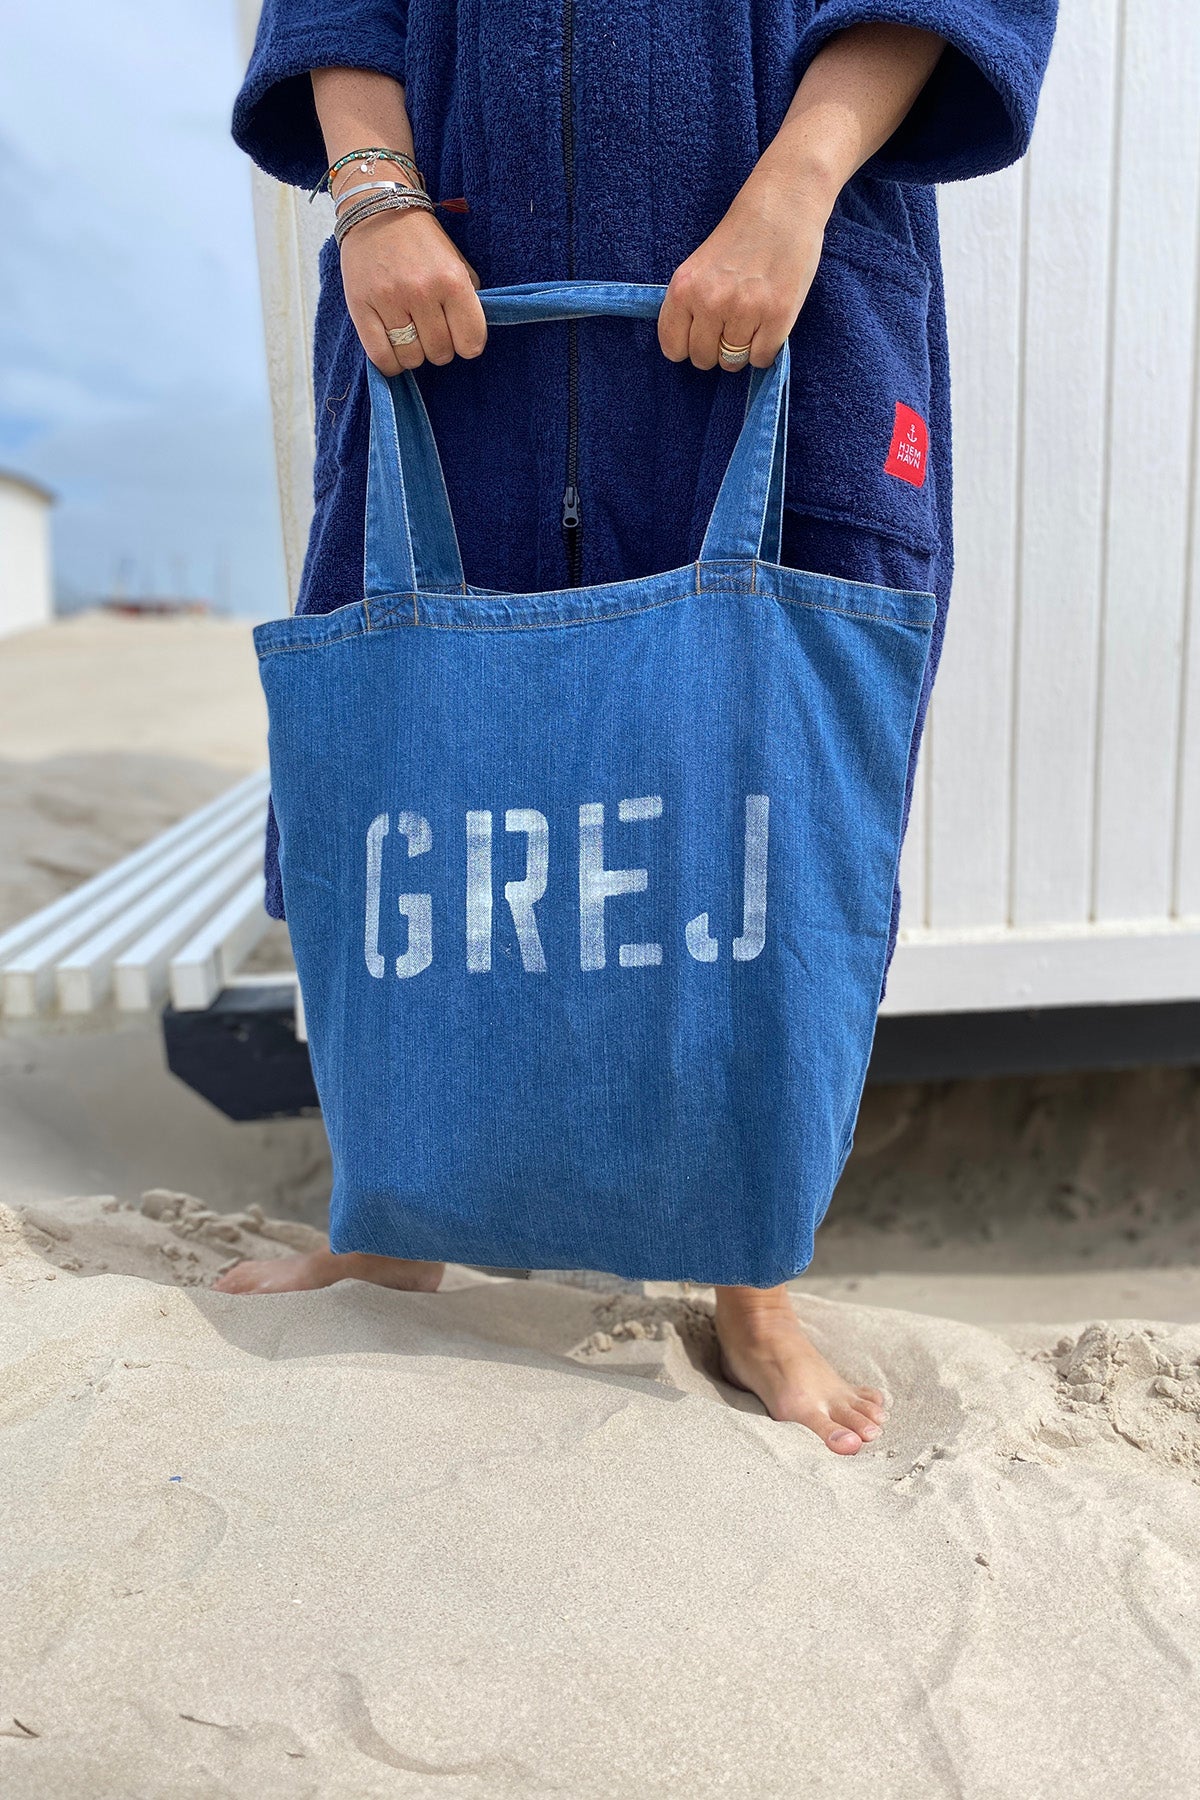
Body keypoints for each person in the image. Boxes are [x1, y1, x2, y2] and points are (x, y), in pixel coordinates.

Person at [218, 0, 1057, 1454]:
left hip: (782, 270)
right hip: (444, 280)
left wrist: (796, 187)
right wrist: (372, 192)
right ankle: (392, 1221)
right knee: (416, 781)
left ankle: (753, 1284)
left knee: (756, 821)